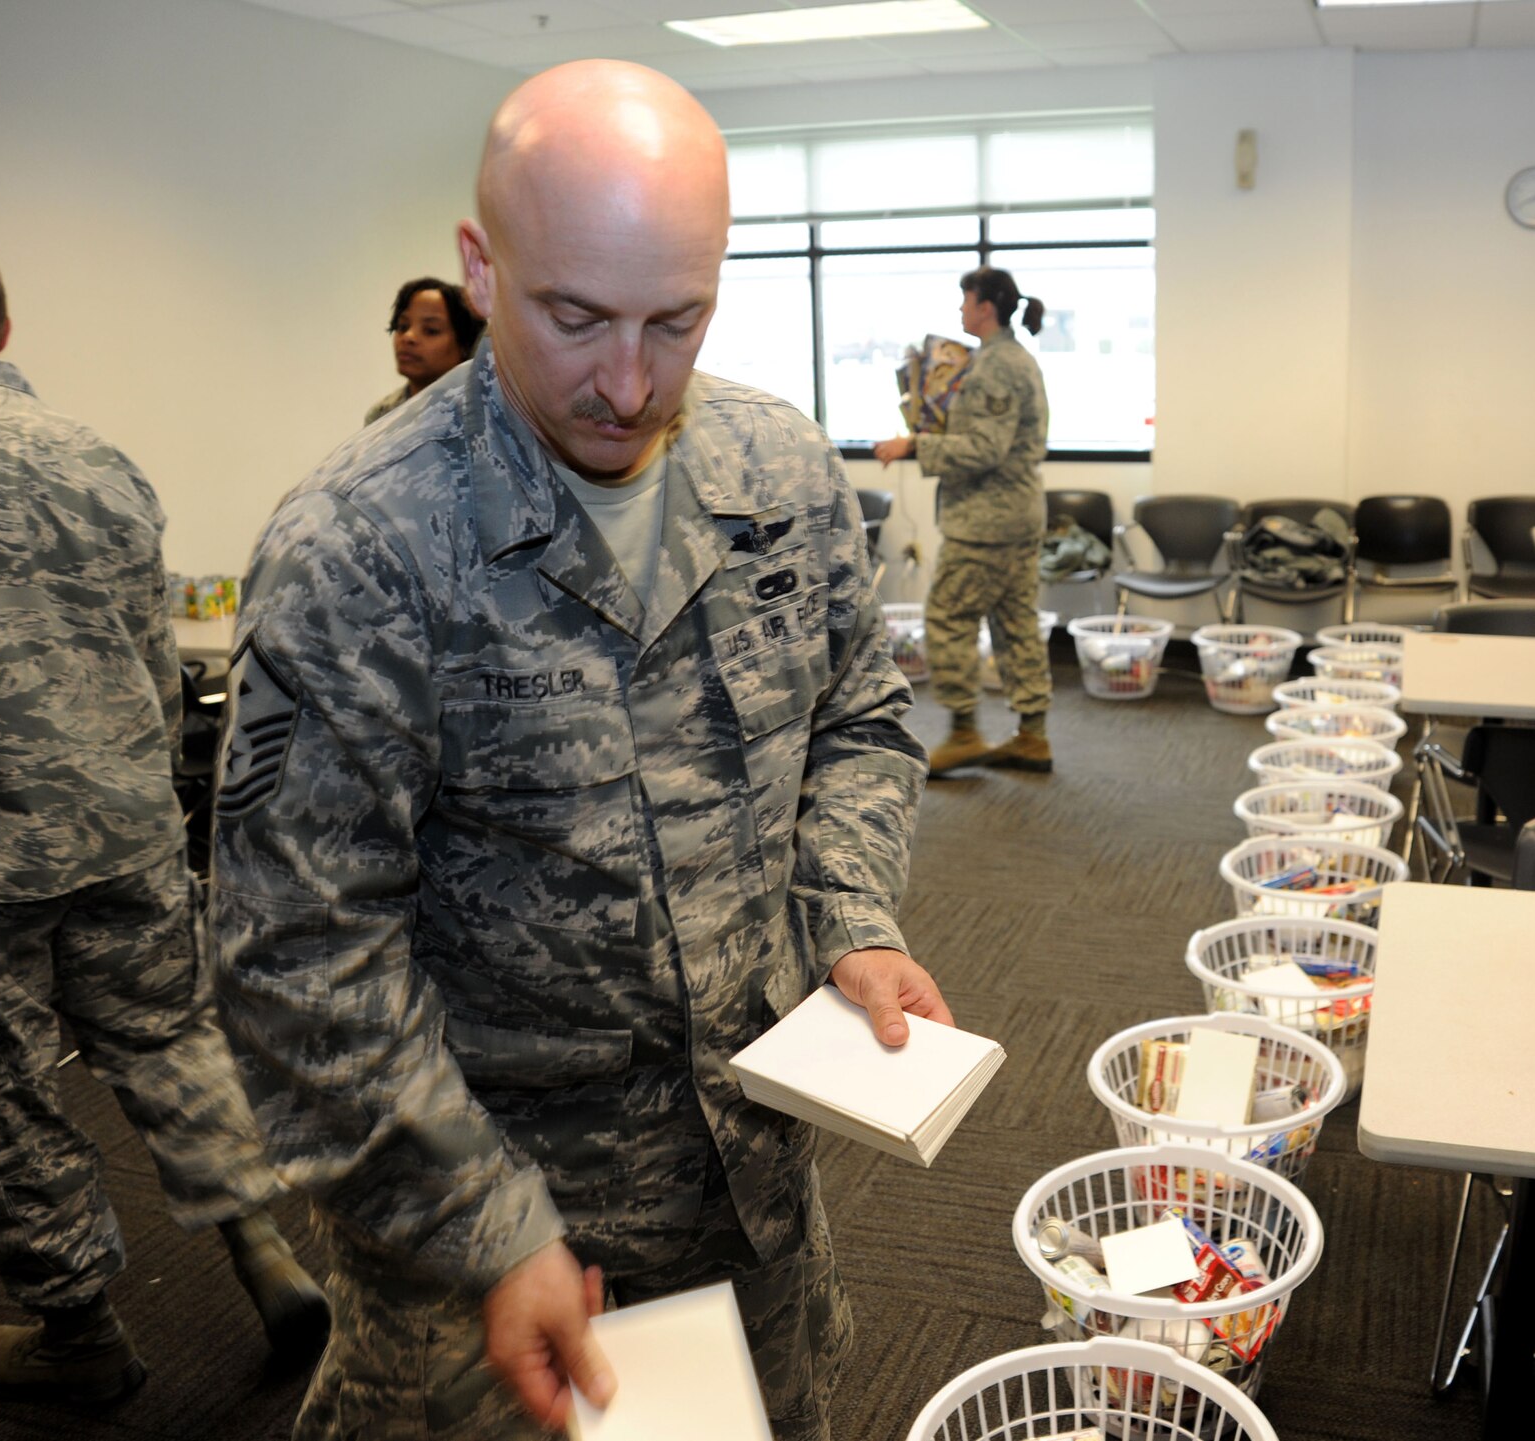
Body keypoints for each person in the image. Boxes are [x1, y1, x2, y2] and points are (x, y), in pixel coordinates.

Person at [210, 61, 944, 1441]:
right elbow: (295, 950)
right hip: (490, 1234)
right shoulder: (361, 549)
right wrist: (486, 1226)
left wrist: (846, 910)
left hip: (749, 1191)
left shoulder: (781, 476)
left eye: (678, 320)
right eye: (574, 317)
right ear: (481, 270)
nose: (626, 381)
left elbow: (856, 718)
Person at [0, 231, 328, 1405]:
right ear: (2, 328)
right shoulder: (97, 457)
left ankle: (79, 1334)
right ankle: (263, 1250)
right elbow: (150, 660)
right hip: (128, 826)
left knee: (2, 1093)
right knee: (168, 1041)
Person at [874, 266, 1053, 778]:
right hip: (1013, 516)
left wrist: (915, 444)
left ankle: (965, 731)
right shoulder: (1012, 360)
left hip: (986, 521)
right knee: (1016, 623)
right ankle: (1033, 736)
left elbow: (985, 447)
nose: (959, 311)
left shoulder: (995, 367)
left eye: (965, 301)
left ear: (986, 306)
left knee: (949, 617)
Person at [364, 276, 486, 425]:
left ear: (465, 345)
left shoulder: (482, 413)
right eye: (403, 327)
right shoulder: (382, 414)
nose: (408, 337)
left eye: (430, 330)